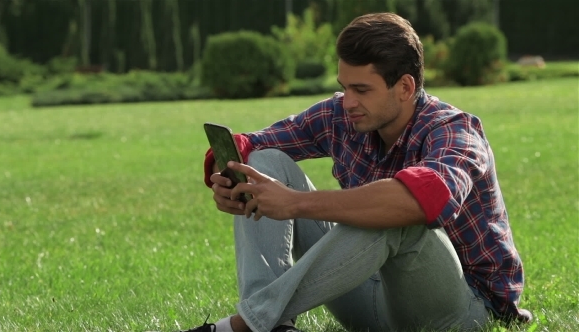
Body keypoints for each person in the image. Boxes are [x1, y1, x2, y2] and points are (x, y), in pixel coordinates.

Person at [187, 12, 531, 332]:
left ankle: (248, 324)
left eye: (362, 90)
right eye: (345, 86)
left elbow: (425, 200)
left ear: (406, 88)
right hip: (371, 296)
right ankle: (275, 326)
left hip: (462, 309)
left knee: (396, 212)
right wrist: (226, 174)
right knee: (265, 162)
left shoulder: (455, 131)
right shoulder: (344, 115)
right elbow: (250, 144)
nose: (348, 100)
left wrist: (295, 204)